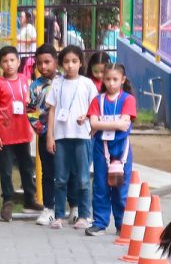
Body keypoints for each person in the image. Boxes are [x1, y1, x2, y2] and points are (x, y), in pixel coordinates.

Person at [44, 45, 94, 230]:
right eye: (66, 61)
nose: (70, 65)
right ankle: (58, 216)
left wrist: (87, 117)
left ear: (81, 63)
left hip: (82, 137)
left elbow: (94, 108)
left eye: (74, 61)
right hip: (62, 138)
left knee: (82, 178)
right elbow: (52, 111)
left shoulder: (87, 84)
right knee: (61, 178)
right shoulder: (57, 83)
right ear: (61, 63)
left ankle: (84, 215)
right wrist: (50, 136)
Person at [85, 64, 135, 237]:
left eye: (115, 79)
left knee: (121, 187)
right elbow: (93, 124)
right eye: (107, 79)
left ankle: (122, 224)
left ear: (122, 80)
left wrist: (102, 123)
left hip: (122, 149)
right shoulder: (97, 100)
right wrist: (115, 124)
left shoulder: (128, 99)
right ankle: (99, 223)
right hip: (101, 148)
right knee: (100, 186)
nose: (111, 83)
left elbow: (125, 123)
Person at [0, 45, 35, 222]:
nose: (9, 64)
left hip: (22, 131)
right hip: (5, 134)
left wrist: (31, 125)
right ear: (0, 64)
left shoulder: (24, 80)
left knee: (27, 167)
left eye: (12, 60)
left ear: (19, 61)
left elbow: (29, 104)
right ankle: (7, 201)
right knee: (6, 170)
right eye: (5, 61)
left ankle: (30, 198)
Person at [29, 46, 59, 222]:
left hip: (65, 135)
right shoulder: (35, 86)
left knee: (68, 172)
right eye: (39, 63)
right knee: (48, 172)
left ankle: (74, 207)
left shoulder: (64, 81)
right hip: (45, 135)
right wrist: (42, 130)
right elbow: (31, 111)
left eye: (47, 62)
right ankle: (49, 208)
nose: (43, 66)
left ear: (56, 61)